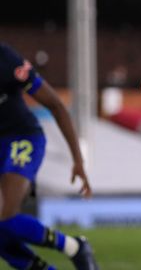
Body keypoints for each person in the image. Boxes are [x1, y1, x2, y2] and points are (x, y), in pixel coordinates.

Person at [0, 42, 98, 270]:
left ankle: (73, 246)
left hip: (22, 138)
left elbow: (55, 105)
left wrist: (78, 160)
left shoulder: (6, 60)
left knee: (6, 218)